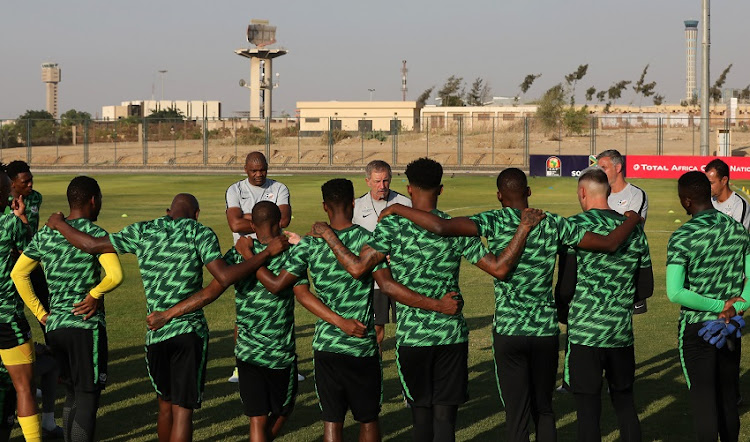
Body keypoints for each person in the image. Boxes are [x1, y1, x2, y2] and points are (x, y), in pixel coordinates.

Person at [380, 167, 641, 442]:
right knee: (545, 410)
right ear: (528, 192)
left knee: (516, 414)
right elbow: (610, 244)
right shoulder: (552, 222)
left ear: (498, 196)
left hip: (509, 332)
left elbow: (441, 227)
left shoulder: (493, 219)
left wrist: (399, 209)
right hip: (545, 332)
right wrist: (632, 220)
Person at [312, 158, 546, 442]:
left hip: (413, 338)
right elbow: (498, 268)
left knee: (420, 418)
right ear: (442, 189)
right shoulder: (454, 227)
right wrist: (523, 229)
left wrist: (328, 235)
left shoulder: (392, 227)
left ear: (409, 189)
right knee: (445, 421)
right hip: (451, 335)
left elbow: (374, 277)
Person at [45, 193, 290, 442]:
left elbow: (90, 245)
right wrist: (266, 253)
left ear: (167, 211)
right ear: (197, 214)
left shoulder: (143, 230)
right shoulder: (199, 232)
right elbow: (224, 277)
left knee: (164, 406)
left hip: (156, 333)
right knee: (182, 413)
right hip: (188, 331)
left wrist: (60, 224)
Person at [248, 179, 388, 442]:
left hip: (326, 345)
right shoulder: (369, 240)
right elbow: (384, 284)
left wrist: (337, 322)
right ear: (354, 203)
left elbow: (300, 293)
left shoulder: (309, 245)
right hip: (361, 344)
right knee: (368, 418)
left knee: (332, 421)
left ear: (325, 207)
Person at [12, 176, 124, 442]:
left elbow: (19, 274)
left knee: (72, 392)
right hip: (86, 326)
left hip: (55, 328)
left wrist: (41, 313)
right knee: (87, 395)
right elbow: (116, 275)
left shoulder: (47, 233)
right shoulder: (96, 235)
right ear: (94, 200)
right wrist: (95, 293)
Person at [558, 168, 652, 442]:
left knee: (587, 410)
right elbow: (646, 288)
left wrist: (567, 312)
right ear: (609, 193)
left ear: (582, 192)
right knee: (624, 403)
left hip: (585, 334)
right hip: (620, 334)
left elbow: (565, 286)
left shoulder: (574, 227)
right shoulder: (633, 232)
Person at [666, 171, 750, 442]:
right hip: (729, 327)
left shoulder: (682, 236)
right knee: (727, 398)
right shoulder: (738, 229)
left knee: (704, 402)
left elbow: (675, 292)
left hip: (697, 329)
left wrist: (718, 305)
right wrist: (736, 307)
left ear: (687, 201)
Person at [225, 151, 294, 383]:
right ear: (245, 169)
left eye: (262, 170)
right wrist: (263, 219)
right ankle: (240, 366)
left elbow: (283, 221)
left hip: (277, 252)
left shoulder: (280, 187)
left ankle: (285, 358)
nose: (258, 175)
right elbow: (234, 223)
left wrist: (251, 218)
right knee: (244, 313)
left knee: (281, 309)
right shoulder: (235, 189)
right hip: (244, 254)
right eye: (253, 171)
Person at [352, 160, 411, 353]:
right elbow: (352, 242)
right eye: (377, 181)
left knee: (406, 322)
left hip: (400, 276)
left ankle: (407, 358)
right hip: (373, 279)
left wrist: (397, 255)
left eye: (386, 181)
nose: (382, 186)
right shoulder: (357, 206)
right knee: (377, 326)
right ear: (367, 181)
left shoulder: (404, 203)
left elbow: (413, 238)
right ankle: (374, 361)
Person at [0, 166, 39, 442]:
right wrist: (22, 218)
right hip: (7, 316)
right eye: (5, 191)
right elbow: (31, 253)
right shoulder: (8, 223)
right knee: (23, 386)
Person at [597, 149, 648, 315]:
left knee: (624, 322)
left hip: (627, 269)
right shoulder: (599, 195)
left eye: (603, 168)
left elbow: (631, 226)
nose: (600, 173)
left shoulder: (636, 194)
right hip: (601, 268)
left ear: (618, 168)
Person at [705, 158, 750, 230]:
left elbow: (737, 237)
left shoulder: (739, 204)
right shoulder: (707, 202)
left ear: (724, 181)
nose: (707, 186)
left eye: (711, 183)